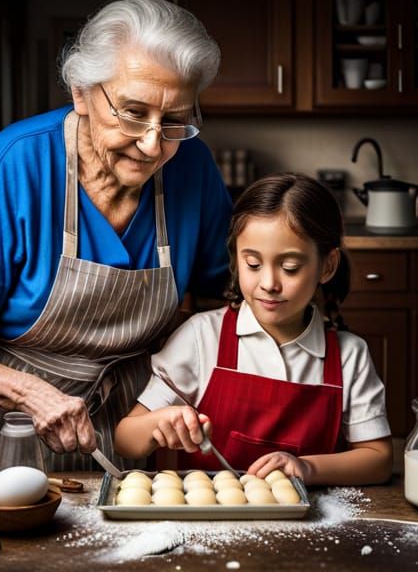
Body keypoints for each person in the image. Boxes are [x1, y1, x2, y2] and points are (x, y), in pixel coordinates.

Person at [0, 0, 232, 471]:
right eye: (133, 113)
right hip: (9, 438)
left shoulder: (193, 167)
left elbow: (225, 305)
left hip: (131, 432)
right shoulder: (18, 164)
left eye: (174, 120)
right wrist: (30, 393)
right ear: (81, 92)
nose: (153, 144)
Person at [115, 173, 393, 486]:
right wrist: (158, 423)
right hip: (203, 525)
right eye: (253, 264)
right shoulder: (202, 337)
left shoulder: (348, 356)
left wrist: (306, 468)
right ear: (235, 261)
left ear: (327, 266)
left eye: (290, 268)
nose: (269, 283)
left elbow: (378, 459)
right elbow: (126, 439)